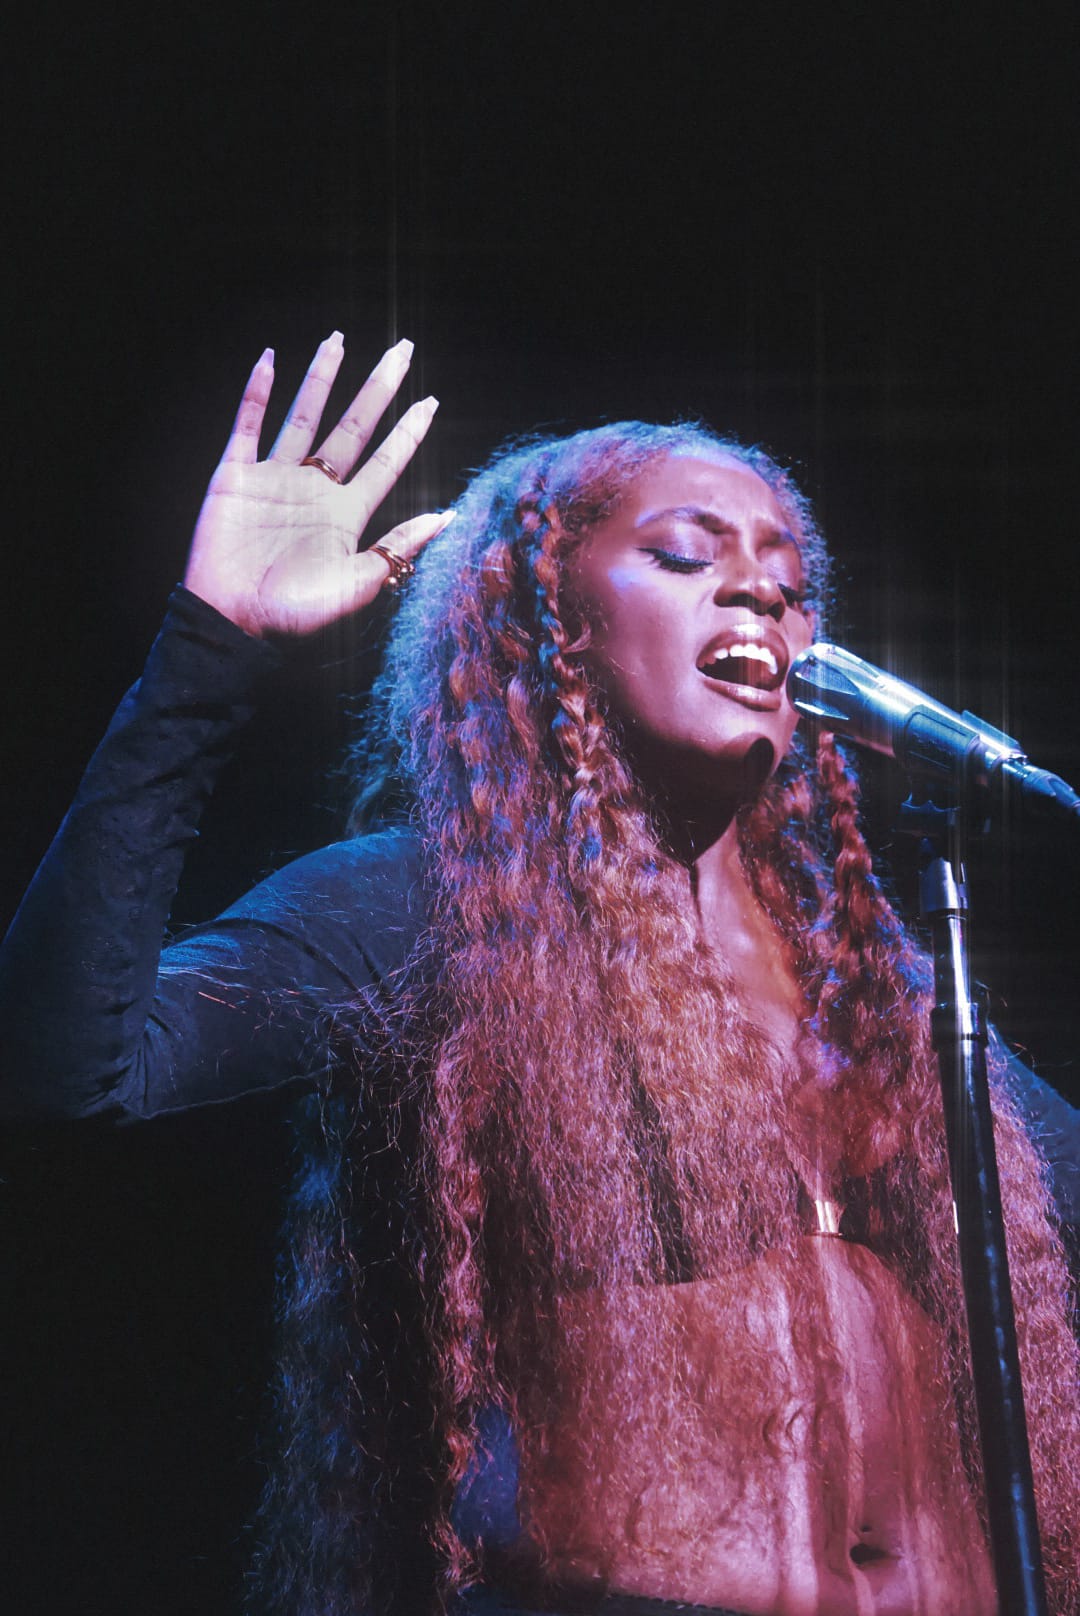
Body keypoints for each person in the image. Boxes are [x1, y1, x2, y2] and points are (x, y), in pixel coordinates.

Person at [2, 334, 1079, 1616]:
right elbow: (69, 1068)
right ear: (552, 617)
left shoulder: (877, 985)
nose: (759, 593)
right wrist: (208, 651)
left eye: (791, 584)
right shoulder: (437, 911)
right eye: (684, 557)